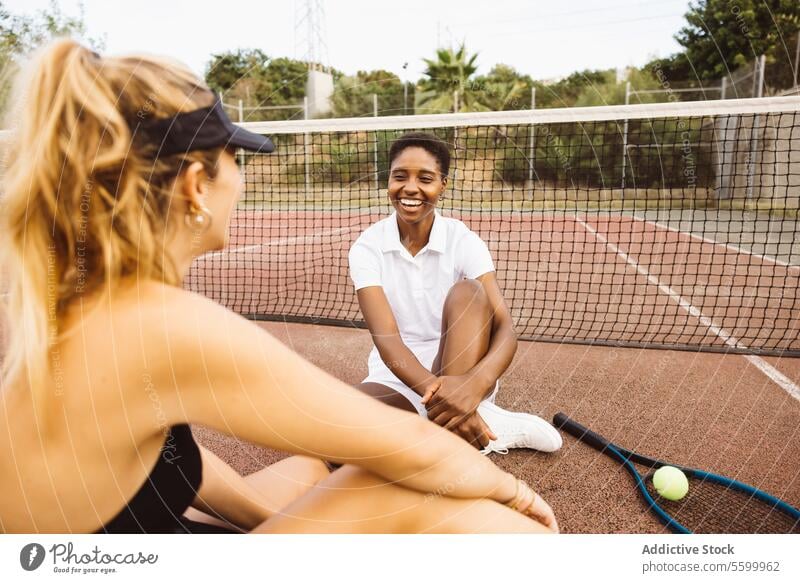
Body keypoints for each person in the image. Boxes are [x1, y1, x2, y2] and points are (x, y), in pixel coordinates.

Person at [0, 39, 557, 534]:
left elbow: (171, 459)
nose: (240, 177)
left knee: (310, 468)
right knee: (440, 500)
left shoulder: (68, 305)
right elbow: (405, 448)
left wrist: (267, 525)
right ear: (197, 186)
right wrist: (516, 494)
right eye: (235, 157)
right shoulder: (164, 326)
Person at [349, 132, 562, 454]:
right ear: (388, 181)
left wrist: (472, 385)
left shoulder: (463, 240)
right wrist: (439, 395)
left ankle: (457, 418)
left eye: (425, 178)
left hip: (465, 368)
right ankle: (479, 425)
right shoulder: (367, 247)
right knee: (337, 433)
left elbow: (504, 328)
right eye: (399, 176)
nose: (410, 188)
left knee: (469, 292)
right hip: (400, 374)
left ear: (443, 185)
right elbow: (387, 341)